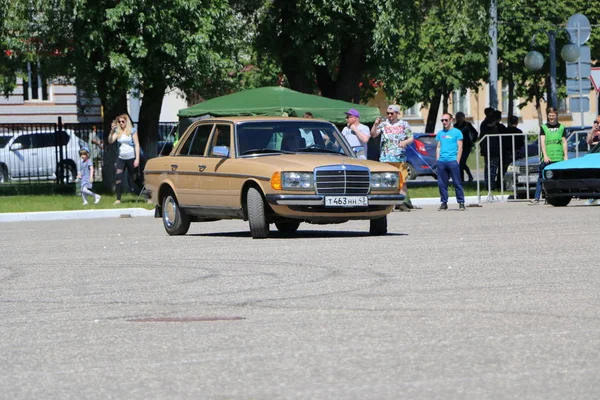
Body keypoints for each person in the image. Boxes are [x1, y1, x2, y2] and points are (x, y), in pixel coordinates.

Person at [370, 104, 414, 210]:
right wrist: (375, 125)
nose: (389, 115)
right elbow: (373, 135)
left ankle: (402, 203)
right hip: (386, 157)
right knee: (386, 181)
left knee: (402, 181)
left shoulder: (404, 124)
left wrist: (405, 142)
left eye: (392, 113)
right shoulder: (384, 124)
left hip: (399, 157)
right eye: (388, 113)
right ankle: (389, 204)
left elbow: (411, 137)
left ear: (397, 113)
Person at [529, 107, 568, 205]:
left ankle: (560, 197)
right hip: (548, 158)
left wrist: (565, 156)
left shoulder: (561, 127)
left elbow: (564, 142)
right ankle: (537, 198)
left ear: (556, 116)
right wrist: (545, 156)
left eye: (553, 116)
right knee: (541, 177)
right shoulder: (544, 127)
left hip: (559, 158)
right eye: (550, 116)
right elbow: (542, 142)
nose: (551, 118)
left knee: (559, 178)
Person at [108, 114, 142, 205]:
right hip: (121, 158)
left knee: (135, 179)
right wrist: (111, 131)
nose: (121, 123)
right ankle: (118, 199)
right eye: (119, 122)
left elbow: (137, 144)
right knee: (118, 177)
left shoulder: (132, 131)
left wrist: (137, 159)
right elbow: (110, 141)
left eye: (123, 121)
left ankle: (148, 195)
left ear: (127, 122)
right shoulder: (117, 131)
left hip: (131, 158)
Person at [436, 113, 465, 211]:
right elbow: (438, 147)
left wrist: (457, 160)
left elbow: (460, 147)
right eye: (442, 120)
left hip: (452, 161)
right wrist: (437, 160)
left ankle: (461, 202)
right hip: (442, 161)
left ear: (451, 120)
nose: (444, 122)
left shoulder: (457, 132)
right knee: (442, 184)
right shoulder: (440, 133)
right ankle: (444, 202)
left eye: (446, 120)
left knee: (457, 183)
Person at [479, 107, 500, 190]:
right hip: (491, 149)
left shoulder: (485, 123)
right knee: (491, 167)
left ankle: (488, 184)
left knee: (489, 167)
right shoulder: (488, 124)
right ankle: (490, 185)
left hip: (489, 149)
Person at [454, 111, 478, 183]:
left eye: (460, 117)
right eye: (457, 117)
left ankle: (468, 176)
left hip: (467, 146)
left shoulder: (467, 125)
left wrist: (473, 140)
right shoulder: (455, 126)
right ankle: (462, 179)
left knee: (462, 162)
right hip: (458, 146)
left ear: (463, 118)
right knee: (459, 162)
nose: (459, 119)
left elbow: (475, 133)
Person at [585, 116, 600, 205]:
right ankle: (593, 196)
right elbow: (589, 141)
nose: (597, 125)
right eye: (596, 123)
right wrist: (592, 131)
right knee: (592, 175)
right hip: (593, 155)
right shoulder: (593, 132)